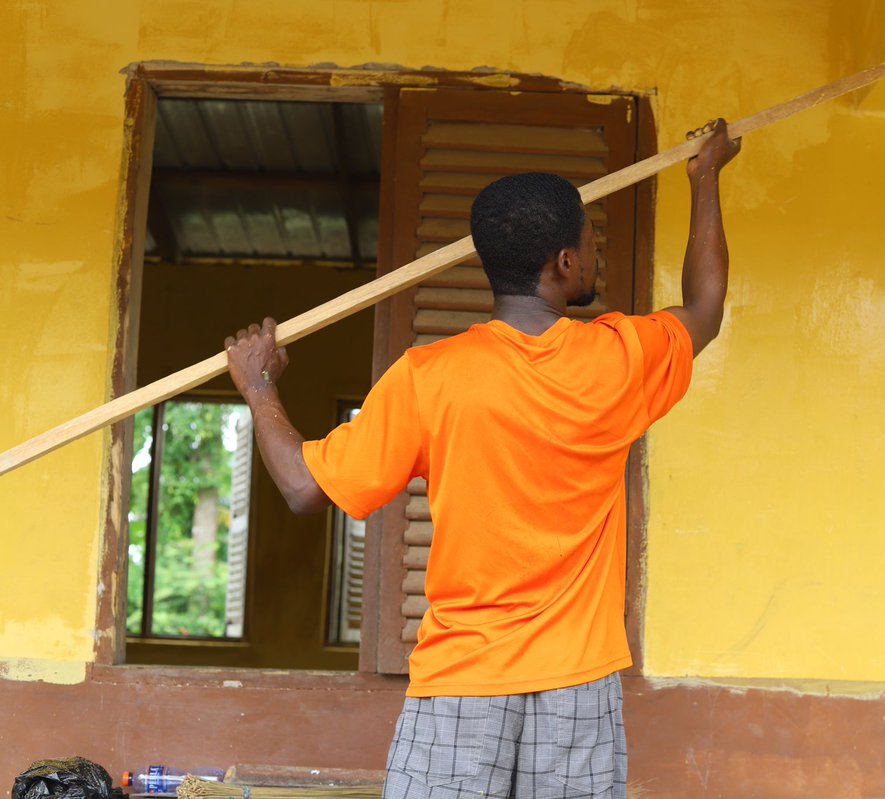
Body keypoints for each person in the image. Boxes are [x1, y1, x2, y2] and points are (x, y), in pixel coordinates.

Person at [224, 118, 741, 799]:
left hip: (461, 686)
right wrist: (707, 179)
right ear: (562, 263)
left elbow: (300, 485)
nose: (595, 257)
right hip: (577, 690)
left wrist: (259, 388)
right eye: (589, 245)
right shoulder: (618, 358)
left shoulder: (428, 377)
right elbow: (705, 303)